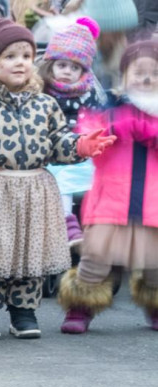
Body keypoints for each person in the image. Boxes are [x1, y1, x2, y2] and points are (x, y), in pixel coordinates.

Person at [0, 14, 114, 340]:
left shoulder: (45, 104)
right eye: (10, 56)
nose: (20, 62)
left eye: (26, 55)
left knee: (29, 254)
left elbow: (57, 142)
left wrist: (79, 145)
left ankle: (23, 310)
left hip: (34, 190)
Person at [59, 37, 158, 331]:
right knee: (96, 258)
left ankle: (155, 306)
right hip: (111, 200)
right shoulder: (110, 107)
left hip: (152, 203)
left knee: (155, 264)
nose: (146, 78)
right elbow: (87, 136)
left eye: (154, 72)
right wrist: (109, 129)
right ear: (124, 75)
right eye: (139, 72)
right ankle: (80, 307)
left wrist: (149, 131)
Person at [41, 17, 107, 246]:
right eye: (62, 65)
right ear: (51, 65)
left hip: (82, 154)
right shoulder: (42, 91)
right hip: (52, 155)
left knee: (94, 185)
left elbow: (98, 122)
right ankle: (68, 224)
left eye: (74, 67)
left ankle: (93, 228)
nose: (67, 72)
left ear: (83, 70)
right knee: (63, 185)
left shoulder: (89, 94)